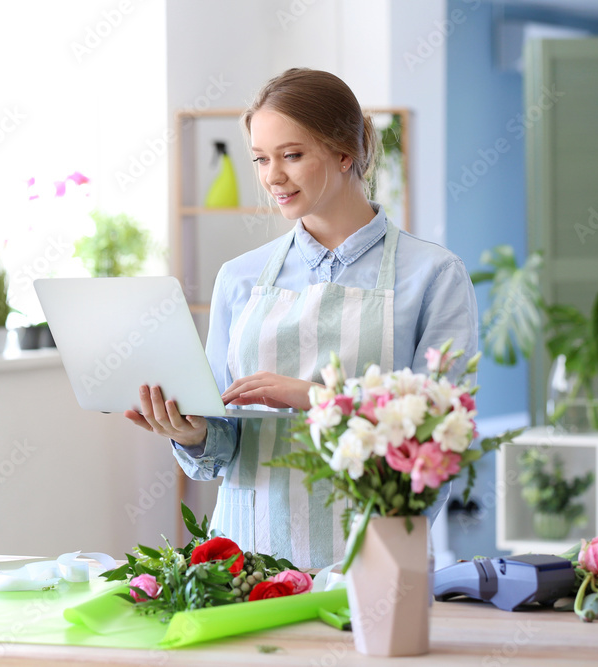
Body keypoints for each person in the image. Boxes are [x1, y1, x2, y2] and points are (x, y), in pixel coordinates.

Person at [125, 68, 477, 569]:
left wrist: (315, 399)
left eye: (291, 155)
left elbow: (443, 437)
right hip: (245, 563)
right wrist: (192, 432)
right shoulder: (239, 278)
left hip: (369, 562)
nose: (272, 177)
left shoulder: (434, 275)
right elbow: (223, 441)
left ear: (344, 152)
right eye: (261, 159)